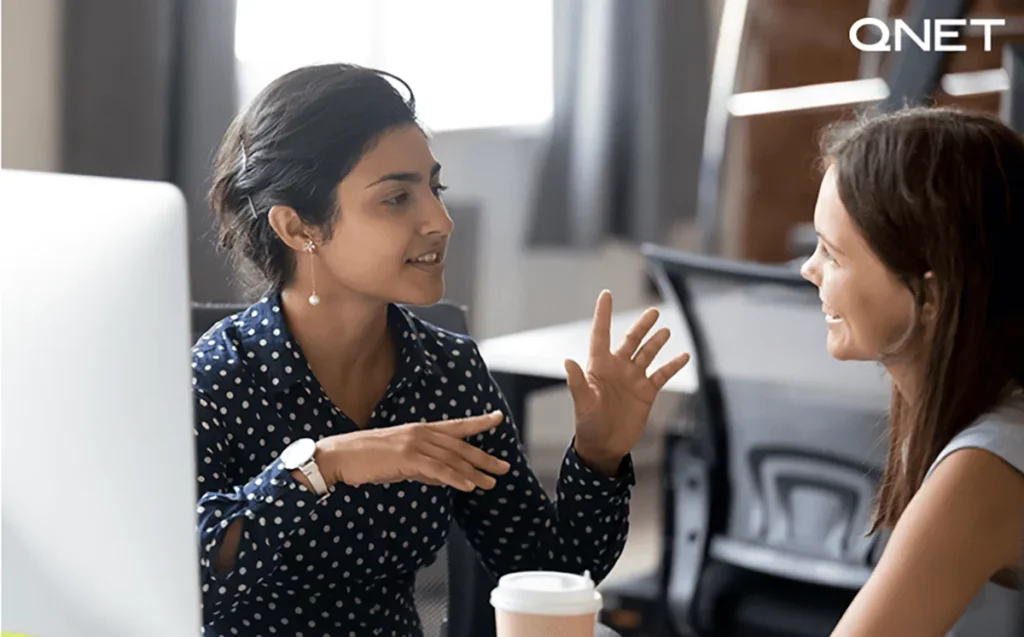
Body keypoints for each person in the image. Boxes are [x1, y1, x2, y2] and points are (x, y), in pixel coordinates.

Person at [192, 63, 691, 637]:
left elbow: (550, 573)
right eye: (396, 198)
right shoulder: (220, 376)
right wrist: (322, 465)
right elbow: (187, 576)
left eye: (435, 188)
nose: (440, 219)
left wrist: (599, 456)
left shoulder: (447, 374)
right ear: (299, 226)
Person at [799, 106, 1024, 636]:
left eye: (832, 254)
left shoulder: (984, 467)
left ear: (930, 295)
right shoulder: (968, 411)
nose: (809, 269)